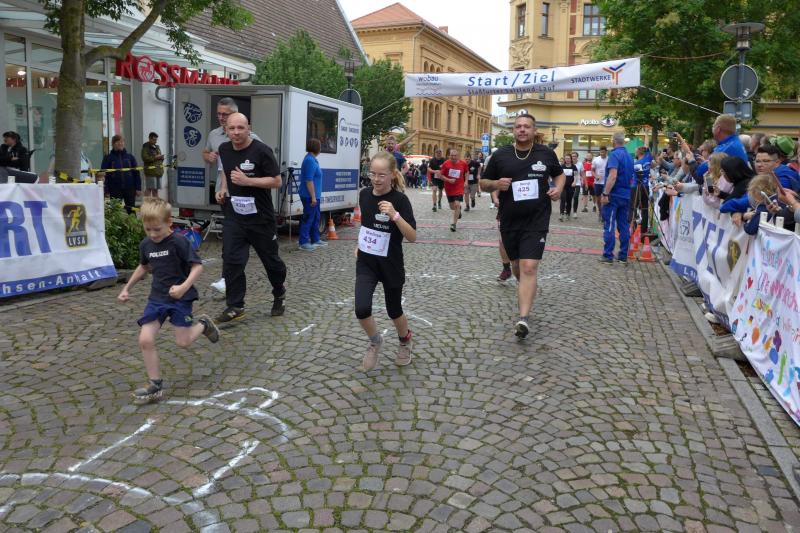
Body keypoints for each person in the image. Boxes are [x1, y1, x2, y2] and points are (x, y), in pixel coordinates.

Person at [117, 198, 219, 402]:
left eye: (157, 229)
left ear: (169, 222)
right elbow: (144, 267)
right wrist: (126, 288)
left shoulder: (179, 242)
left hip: (180, 299)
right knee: (145, 339)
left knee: (183, 342)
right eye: (148, 229)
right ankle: (155, 384)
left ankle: (203, 324)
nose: (153, 234)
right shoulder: (146, 245)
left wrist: (183, 287)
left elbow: (197, 266)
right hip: (157, 298)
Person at [480, 114, 564, 339]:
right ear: (513, 130)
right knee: (517, 265)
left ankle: (523, 318)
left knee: (529, 267)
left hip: (537, 219)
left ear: (534, 130)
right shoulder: (501, 155)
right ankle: (526, 286)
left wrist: (558, 189)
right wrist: (496, 184)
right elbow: (483, 183)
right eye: (518, 126)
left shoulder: (546, 154)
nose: (522, 130)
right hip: (509, 220)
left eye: (527, 126)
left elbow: (559, 175)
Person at [214, 113, 287, 322]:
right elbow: (226, 172)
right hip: (235, 215)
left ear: (249, 128)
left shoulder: (262, 151)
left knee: (271, 262)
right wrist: (223, 189)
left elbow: (277, 181)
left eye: (240, 128)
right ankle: (235, 305)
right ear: (226, 130)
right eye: (232, 128)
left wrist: (248, 181)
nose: (236, 132)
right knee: (231, 259)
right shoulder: (224, 149)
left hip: (260, 218)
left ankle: (279, 292)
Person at [355, 151, 417, 371]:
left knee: (394, 310)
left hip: (391, 263)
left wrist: (395, 215)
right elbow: (367, 224)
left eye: (381, 175)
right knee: (362, 308)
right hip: (367, 262)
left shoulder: (400, 200)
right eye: (372, 173)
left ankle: (405, 341)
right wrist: (360, 244)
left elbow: (412, 236)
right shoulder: (364, 195)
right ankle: (375, 341)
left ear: (392, 174)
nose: (376, 179)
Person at [204, 98, 263, 295]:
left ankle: (233, 278)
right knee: (231, 238)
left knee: (247, 241)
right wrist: (208, 157)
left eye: (225, 114)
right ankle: (227, 278)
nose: (221, 118)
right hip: (226, 194)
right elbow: (209, 156)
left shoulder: (252, 137)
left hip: (247, 195)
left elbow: (263, 161)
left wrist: (250, 180)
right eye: (219, 114)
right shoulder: (214, 135)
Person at [599, 132, 635, 264]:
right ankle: (623, 255)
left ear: (613, 141)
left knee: (609, 224)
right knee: (623, 225)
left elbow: (612, 175)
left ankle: (608, 255)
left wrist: (605, 193)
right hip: (626, 194)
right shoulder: (630, 156)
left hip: (614, 195)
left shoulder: (614, 154)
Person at [99, 135, 141, 213]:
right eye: (118, 142)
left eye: (122, 142)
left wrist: (138, 188)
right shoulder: (108, 158)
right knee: (115, 212)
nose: (120, 143)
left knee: (131, 211)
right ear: (113, 144)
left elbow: (136, 173)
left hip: (130, 188)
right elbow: (104, 175)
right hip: (114, 189)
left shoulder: (130, 157)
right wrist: (106, 190)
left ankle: (132, 221)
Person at [298, 138, 326, 251]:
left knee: (316, 217)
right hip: (309, 196)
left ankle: (315, 239)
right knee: (308, 218)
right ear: (317, 148)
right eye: (320, 147)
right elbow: (309, 180)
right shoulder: (309, 160)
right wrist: (313, 197)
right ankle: (303, 242)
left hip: (314, 196)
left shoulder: (312, 159)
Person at [440, 148, 469, 232]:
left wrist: (466, 181)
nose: (453, 157)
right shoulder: (446, 164)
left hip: (459, 187)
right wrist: (448, 180)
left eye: (455, 155)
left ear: (458, 156)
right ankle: (458, 210)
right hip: (449, 188)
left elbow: (467, 172)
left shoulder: (463, 163)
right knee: (452, 207)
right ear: (449, 156)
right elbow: (441, 176)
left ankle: (454, 224)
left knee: (456, 204)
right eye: (451, 155)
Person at [631, 146, 653, 233]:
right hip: (645, 186)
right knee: (645, 208)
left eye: (636, 151)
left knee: (633, 207)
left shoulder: (636, 163)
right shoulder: (648, 159)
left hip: (636, 186)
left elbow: (637, 175)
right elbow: (648, 149)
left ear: (639, 153)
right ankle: (644, 230)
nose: (635, 153)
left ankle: (632, 227)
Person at [141, 132, 165, 198]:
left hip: (158, 171)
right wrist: (155, 157)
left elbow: (159, 158)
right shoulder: (146, 147)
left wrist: (161, 158)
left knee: (156, 190)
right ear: (149, 138)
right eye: (154, 139)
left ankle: (155, 203)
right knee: (149, 188)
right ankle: (146, 202)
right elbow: (145, 158)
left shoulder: (157, 147)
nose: (155, 141)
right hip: (150, 172)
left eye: (156, 140)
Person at [591, 146, 609, 222]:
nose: (602, 153)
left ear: (606, 152)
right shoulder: (595, 159)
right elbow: (592, 170)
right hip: (598, 182)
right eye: (601, 152)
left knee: (605, 199)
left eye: (603, 152)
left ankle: (604, 214)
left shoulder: (609, 159)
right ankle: (600, 211)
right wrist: (596, 176)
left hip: (606, 182)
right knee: (598, 199)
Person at [559, 154, 578, 221]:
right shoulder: (562, 166)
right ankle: (561, 214)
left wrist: (574, 182)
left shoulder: (574, 167)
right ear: (564, 159)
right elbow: (559, 175)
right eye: (566, 158)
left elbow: (576, 175)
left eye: (568, 158)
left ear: (571, 159)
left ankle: (568, 214)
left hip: (571, 186)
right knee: (563, 199)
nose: (567, 160)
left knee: (569, 200)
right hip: (563, 186)